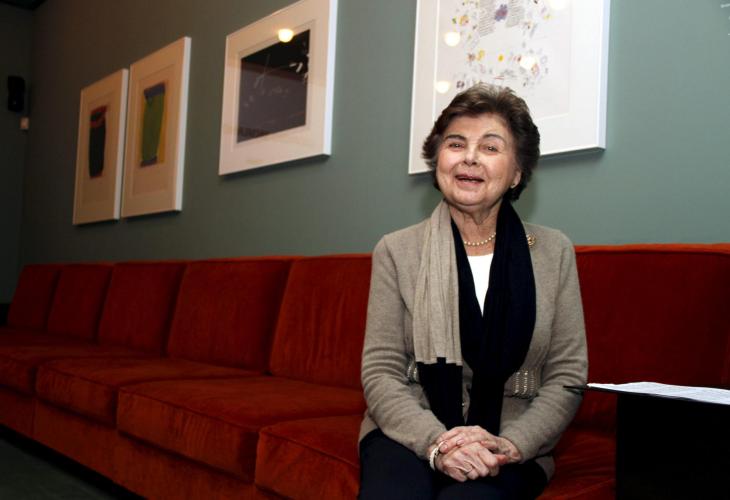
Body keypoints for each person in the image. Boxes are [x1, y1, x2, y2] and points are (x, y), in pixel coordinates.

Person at [358, 84, 587, 499]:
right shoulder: (396, 250)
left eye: (491, 147)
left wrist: (512, 443)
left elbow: (567, 376)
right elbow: (381, 371)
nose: (469, 157)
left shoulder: (554, 252)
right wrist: (437, 443)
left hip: (511, 440)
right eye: (456, 143)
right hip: (409, 429)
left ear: (517, 173)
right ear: (438, 161)